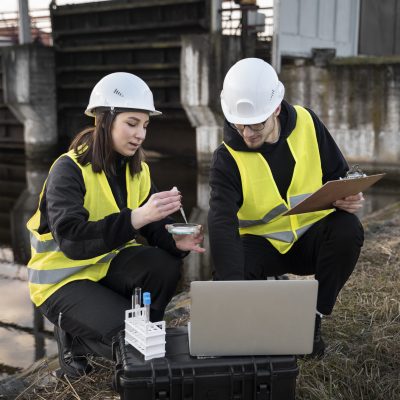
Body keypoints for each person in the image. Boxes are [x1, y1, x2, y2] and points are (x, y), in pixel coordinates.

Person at [26, 72, 205, 377]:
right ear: (104, 120)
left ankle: (141, 344)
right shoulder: (67, 170)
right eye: (131, 123)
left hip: (105, 267)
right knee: (132, 341)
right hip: (61, 282)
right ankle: (75, 341)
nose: (140, 135)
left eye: (145, 126)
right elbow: (71, 239)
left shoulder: (138, 170)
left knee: (163, 264)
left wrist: (174, 240)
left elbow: (152, 226)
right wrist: (137, 217)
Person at [208, 58, 364, 357]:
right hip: (261, 247)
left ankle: (313, 319)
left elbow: (339, 176)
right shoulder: (225, 159)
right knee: (231, 269)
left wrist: (350, 197)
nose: (248, 134)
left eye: (256, 125)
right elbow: (221, 224)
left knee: (348, 229)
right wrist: (230, 295)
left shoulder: (308, 123)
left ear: (276, 109)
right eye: (239, 125)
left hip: (310, 240)